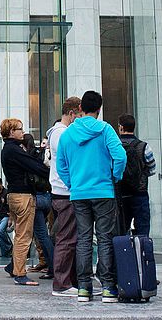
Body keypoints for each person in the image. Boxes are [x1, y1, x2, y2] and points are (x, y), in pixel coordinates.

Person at [57, 90, 127, 303]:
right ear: (99, 109)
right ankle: (107, 288)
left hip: (79, 193)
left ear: (80, 109)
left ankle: (84, 289)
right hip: (103, 191)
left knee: (83, 240)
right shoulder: (105, 130)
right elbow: (120, 156)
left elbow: (60, 165)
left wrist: (72, 183)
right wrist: (114, 176)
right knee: (105, 238)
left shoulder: (68, 133)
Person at [0, 117, 50, 286]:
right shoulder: (13, 149)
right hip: (23, 197)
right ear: (11, 132)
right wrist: (50, 172)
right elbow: (34, 166)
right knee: (24, 236)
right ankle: (20, 274)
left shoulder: (8, 149)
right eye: (20, 129)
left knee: (21, 235)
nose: (23, 131)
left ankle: (15, 267)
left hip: (14, 195)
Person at [46, 96, 81, 297]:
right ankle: (62, 283)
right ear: (72, 113)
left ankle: (69, 281)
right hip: (65, 192)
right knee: (66, 239)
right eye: (78, 114)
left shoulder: (59, 133)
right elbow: (69, 162)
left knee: (68, 237)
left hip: (62, 191)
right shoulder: (61, 134)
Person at [117, 113, 156, 236]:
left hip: (121, 194)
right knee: (142, 232)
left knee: (121, 231)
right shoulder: (144, 146)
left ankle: (123, 255)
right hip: (140, 193)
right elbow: (152, 169)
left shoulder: (115, 146)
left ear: (121, 127)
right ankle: (142, 254)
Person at [22, 132, 54, 279]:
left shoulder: (27, 158)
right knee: (41, 234)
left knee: (39, 235)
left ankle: (53, 266)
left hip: (36, 197)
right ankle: (52, 265)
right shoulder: (40, 154)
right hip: (47, 196)